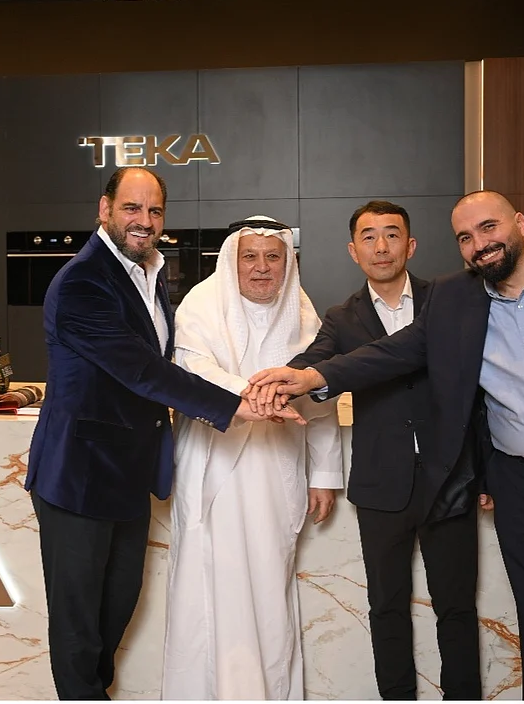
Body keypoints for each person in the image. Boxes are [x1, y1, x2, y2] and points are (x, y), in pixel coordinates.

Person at [247, 190, 524, 700]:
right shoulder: (456, 297)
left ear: (519, 222)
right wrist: (311, 378)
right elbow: (393, 352)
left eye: (488, 227)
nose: (479, 244)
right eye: (464, 237)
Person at [25, 167, 298, 700]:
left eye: (154, 211)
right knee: (79, 627)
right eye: (132, 208)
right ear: (104, 209)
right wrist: (237, 405)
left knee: (115, 610)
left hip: (128, 474)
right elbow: (142, 370)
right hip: (78, 474)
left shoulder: (149, 273)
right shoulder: (83, 281)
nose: (144, 221)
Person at [289, 200, 480, 700]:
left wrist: (485, 472)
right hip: (379, 486)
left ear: (410, 246)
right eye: (369, 237)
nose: (381, 246)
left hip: (449, 479)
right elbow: (313, 363)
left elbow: (479, 393)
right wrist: (283, 383)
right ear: (353, 251)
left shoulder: (447, 300)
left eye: (392, 235)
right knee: (386, 607)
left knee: (457, 607)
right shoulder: (342, 317)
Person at [162, 216, 342, 700]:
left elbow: (320, 400)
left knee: (268, 590)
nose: (261, 267)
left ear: (287, 262)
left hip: (275, 472)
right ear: (232, 261)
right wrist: (254, 394)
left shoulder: (304, 314)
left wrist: (324, 475)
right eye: (250, 257)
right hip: (212, 467)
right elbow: (193, 370)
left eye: (272, 257)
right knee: (206, 588)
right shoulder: (201, 304)